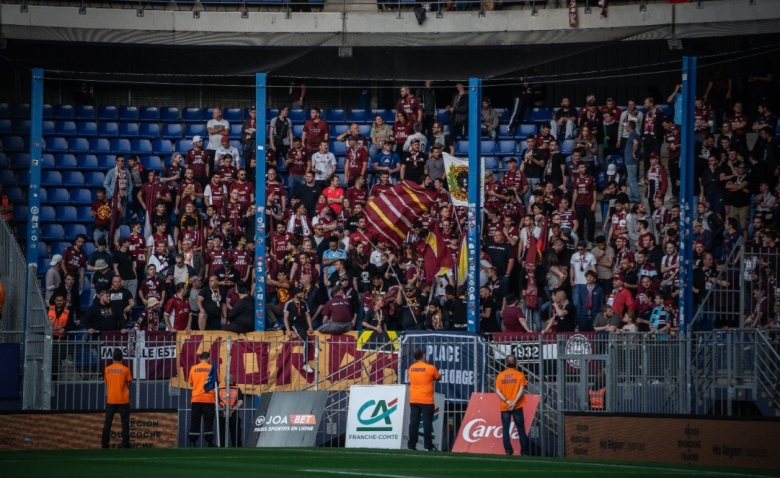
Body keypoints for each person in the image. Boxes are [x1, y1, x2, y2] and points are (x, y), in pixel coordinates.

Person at [495, 354, 530, 456]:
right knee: (520, 428)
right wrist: (514, 402)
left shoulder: (500, 375)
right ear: (516, 363)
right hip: (517, 405)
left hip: (505, 406)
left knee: (505, 428)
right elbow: (521, 390)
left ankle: (508, 450)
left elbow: (497, 391)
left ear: (505, 363)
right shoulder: (520, 375)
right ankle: (524, 451)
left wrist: (507, 401)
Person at [407, 349, 441, 451]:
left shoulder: (411, 368)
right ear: (423, 356)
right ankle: (428, 446)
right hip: (426, 400)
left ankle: (411, 445)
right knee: (427, 423)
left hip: (414, 399)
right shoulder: (430, 368)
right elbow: (438, 377)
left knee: (414, 422)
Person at [101, 349, 132, 449]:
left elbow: (107, 382)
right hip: (123, 399)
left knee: (108, 422)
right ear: (122, 358)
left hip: (111, 399)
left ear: (113, 358)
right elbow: (129, 385)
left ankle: (105, 444)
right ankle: (125, 444)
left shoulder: (107, 369)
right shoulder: (126, 369)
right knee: (125, 422)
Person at [188, 351, 217, 447]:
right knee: (208, 421)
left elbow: (191, 384)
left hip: (196, 398)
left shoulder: (193, 369)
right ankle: (209, 442)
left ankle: (192, 442)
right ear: (208, 359)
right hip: (208, 399)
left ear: (199, 359)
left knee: (195, 420)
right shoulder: (212, 369)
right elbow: (216, 383)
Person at [284, 287, 315, 373]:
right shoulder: (289, 304)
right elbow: (286, 317)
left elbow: (308, 315)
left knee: (311, 340)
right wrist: (288, 330)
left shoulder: (304, 303)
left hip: (304, 324)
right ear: (295, 294)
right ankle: (305, 364)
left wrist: (310, 326)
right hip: (296, 325)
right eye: (300, 293)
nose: (302, 294)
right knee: (306, 341)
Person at [218, 374, 245, 448]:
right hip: (234, 414)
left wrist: (224, 412)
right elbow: (240, 402)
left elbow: (217, 403)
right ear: (233, 380)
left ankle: (222, 448)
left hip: (222, 414)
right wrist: (231, 411)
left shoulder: (220, 389)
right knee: (235, 433)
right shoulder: (237, 389)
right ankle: (236, 448)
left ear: (225, 381)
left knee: (222, 433)